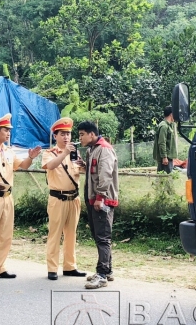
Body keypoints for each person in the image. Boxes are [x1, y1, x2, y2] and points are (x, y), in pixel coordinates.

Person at [0, 113, 42, 285]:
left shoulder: (9, 151)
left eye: (9, 130)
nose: (8, 133)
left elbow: (23, 166)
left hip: (7, 198)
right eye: (5, 130)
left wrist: (31, 157)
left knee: (5, 235)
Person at [41, 117, 87, 281]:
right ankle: (52, 268)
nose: (66, 137)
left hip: (74, 199)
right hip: (57, 199)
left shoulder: (75, 152)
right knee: (55, 234)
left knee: (71, 234)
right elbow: (51, 166)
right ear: (55, 136)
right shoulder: (49, 153)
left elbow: (80, 172)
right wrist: (65, 153)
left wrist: (83, 164)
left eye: (68, 134)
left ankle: (70, 266)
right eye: (62, 134)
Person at [77, 121, 119, 289]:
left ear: (92, 134)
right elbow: (95, 171)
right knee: (98, 234)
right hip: (93, 198)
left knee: (102, 236)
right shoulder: (92, 150)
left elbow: (106, 174)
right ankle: (107, 270)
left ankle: (101, 274)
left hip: (102, 199)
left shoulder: (104, 149)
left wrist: (100, 197)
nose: (79, 138)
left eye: (82, 134)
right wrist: (84, 166)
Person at [153, 105, 177, 174]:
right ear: (171, 114)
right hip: (165, 158)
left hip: (168, 157)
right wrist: (164, 157)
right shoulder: (164, 126)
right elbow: (162, 142)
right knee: (166, 179)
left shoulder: (169, 125)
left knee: (165, 179)